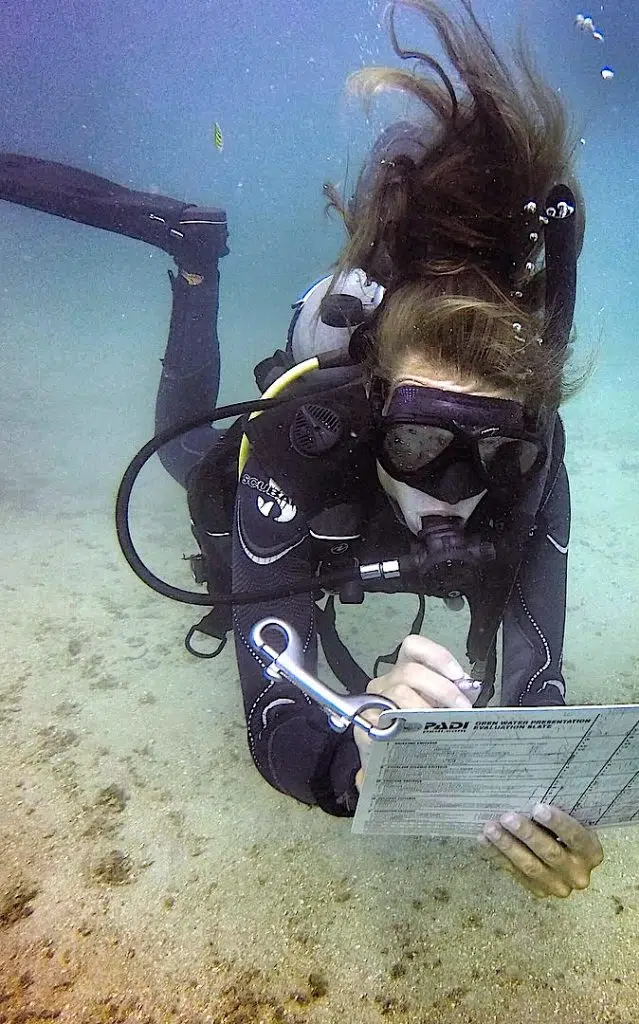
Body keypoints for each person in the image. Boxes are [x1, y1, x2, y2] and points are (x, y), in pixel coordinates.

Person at [0, 0, 602, 898]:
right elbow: (274, 714)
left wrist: (549, 790)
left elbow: (538, 680)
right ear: (375, 416)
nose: (457, 491)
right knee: (187, 460)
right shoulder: (307, 442)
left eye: (497, 455)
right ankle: (193, 259)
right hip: (311, 445)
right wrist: (350, 760)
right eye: (423, 440)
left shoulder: (537, 461)